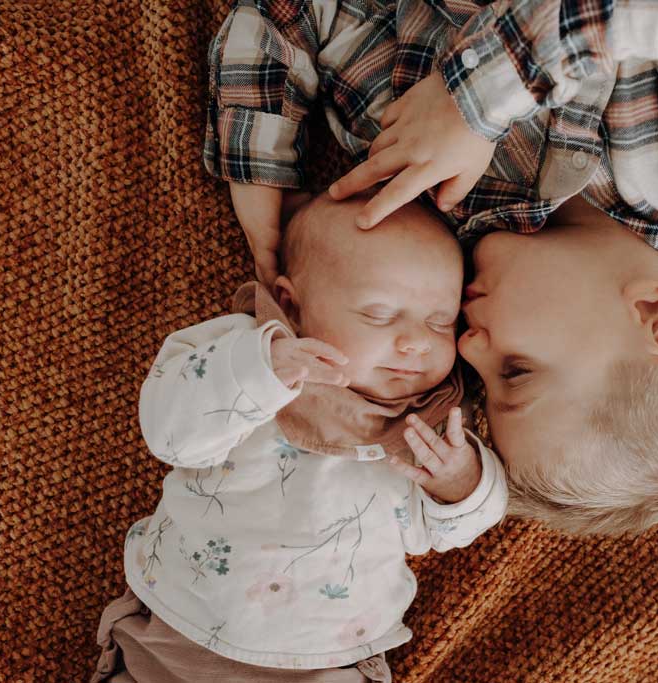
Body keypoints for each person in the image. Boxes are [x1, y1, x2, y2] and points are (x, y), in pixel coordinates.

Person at [205, 0, 658, 533]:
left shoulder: (420, 216)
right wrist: (471, 104)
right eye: (516, 372)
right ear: (655, 315)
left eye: (483, 381)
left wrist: (258, 169)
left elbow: (291, 17)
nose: (467, 350)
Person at [92, 194, 507, 682]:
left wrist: (461, 483)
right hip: (179, 632)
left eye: (440, 321)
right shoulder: (239, 352)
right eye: (378, 314)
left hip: (330, 660)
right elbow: (170, 434)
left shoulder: (432, 422)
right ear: (292, 303)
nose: (416, 341)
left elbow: (445, 532)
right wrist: (261, 370)